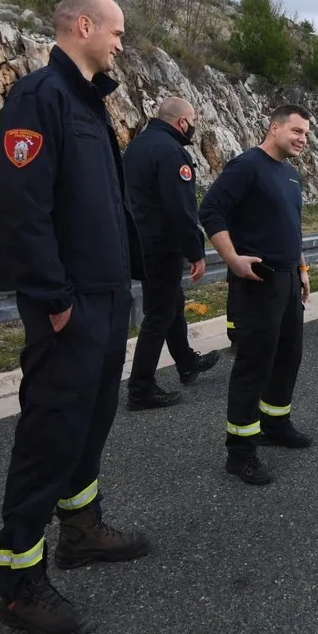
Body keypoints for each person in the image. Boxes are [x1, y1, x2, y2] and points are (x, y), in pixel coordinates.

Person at [0, 0, 152, 634]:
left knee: (91, 420)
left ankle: (81, 531)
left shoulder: (90, 104)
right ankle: (17, 578)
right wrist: (55, 301)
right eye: (115, 30)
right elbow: (25, 212)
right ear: (82, 25)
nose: (120, 42)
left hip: (108, 299)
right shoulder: (39, 98)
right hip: (69, 306)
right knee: (50, 435)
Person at [199, 104, 315, 486]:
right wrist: (231, 258)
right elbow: (211, 209)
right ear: (274, 128)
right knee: (254, 364)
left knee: (288, 356)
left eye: (307, 134)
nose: (302, 139)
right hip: (257, 281)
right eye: (296, 131)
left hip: (287, 280)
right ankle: (240, 450)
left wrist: (302, 269)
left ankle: (275, 425)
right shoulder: (247, 166)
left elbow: (292, 227)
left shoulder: (291, 175)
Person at [122, 96, 220, 408]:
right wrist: (196, 251)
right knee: (159, 315)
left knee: (171, 302)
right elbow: (180, 209)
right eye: (192, 121)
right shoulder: (171, 151)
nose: (193, 127)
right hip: (161, 245)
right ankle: (140, 388)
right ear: (181, 123)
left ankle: (187, 363)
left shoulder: (136, 146)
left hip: (138, 243)